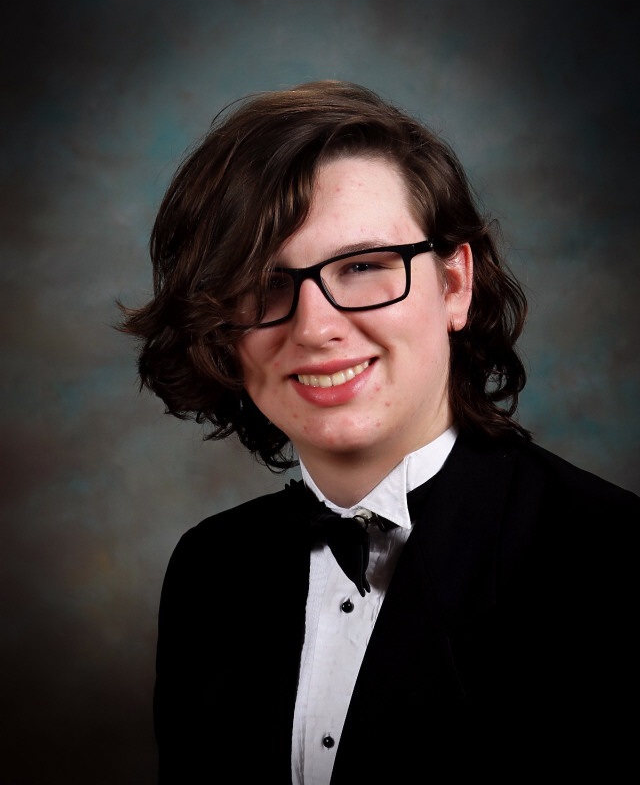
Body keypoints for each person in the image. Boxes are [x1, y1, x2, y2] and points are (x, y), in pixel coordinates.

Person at [119, 80, 639, 783]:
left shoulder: (611, 557)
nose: (315, 328)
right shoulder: (209, 570)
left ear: (455, 285)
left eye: (363, 266)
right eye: (264, 282)